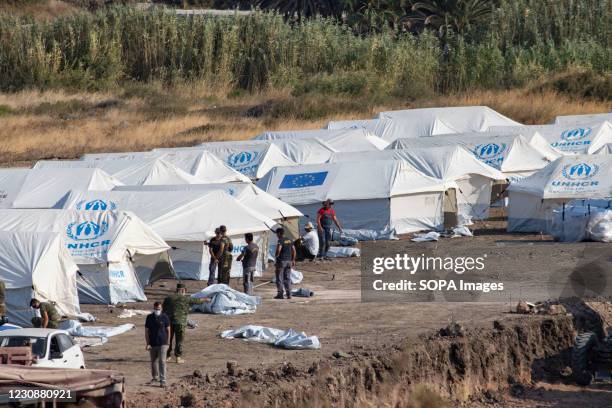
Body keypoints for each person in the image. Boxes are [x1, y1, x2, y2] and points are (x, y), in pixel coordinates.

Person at [162, 283, 207, 364]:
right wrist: (206, 299)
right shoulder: (186, 299)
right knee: (179, 340)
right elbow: (197, 301)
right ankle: (178, 358)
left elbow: (163, 310)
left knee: (168, 339)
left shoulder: (168, 298)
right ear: (183, 290)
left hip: (169, 322)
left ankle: (167, 356)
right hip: (180, 323)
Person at [145, 302, 170, 388]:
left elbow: (168, 329)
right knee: (153, 362)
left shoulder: (165, 317)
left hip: (163, 343)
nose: (157, 310)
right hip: (153, 343)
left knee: (162, 361)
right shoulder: (149, 317)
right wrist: (147, 343)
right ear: (153, 308)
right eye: (156, 309)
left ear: (161, 309)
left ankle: (163, 380)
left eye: (159, 309)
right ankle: (154, 377)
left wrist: (168, 342)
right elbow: (146, 331)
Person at [274, 227, 295, 300]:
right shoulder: (289, 240)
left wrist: (276, 256)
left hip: (281, 261)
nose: (276, 235)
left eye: (277, 234)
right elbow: (293, 251)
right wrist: (293, 260)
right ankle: (289, 295)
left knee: (279, 278)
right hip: (289, 261)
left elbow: (278, 250)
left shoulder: (280, 240)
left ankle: (280, 294)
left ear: (279, 233)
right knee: (287, 278)